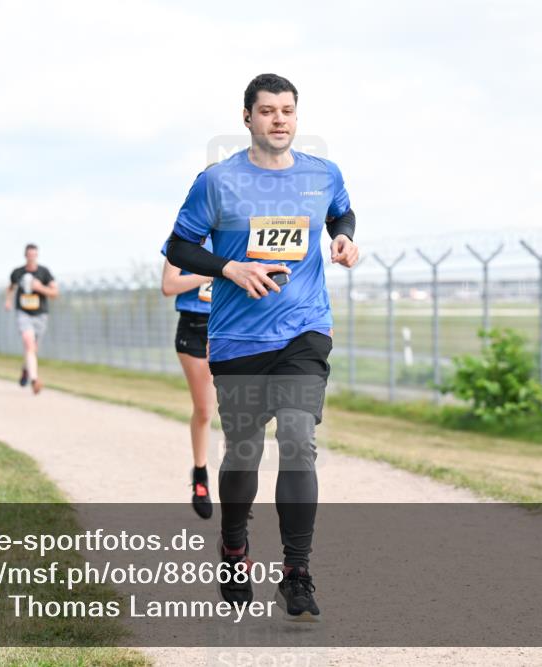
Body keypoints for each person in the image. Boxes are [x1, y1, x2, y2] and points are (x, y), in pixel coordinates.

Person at [166, 73, 359, 622]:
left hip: (304, 329)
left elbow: (340, 211)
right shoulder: (217, 181)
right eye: (268, 110)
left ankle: (296, 572)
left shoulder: (323, 174)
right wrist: (229, 266)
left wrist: (341, 236)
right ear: (247, 117)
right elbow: (180, 245)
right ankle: (233, 546)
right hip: (237, 338)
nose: (280, 119)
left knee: (298, 440)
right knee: (244, 450)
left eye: (288, 110)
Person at [161, 233, 215, 519]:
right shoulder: (181, 239)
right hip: (194, 326)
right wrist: (212, 270)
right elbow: (169, 285)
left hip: (230, 325)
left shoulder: (235, 233)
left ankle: (237, 485)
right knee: (205, 410)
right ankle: (200, 473)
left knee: (235, 410)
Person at [4, 244, 57, 394]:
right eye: (29, 255)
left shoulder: (44, 272)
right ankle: (34, 379)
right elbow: (11, 287)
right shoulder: (17, 272)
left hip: (40, 314)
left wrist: (40, 288)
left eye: (34, 255)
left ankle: (26, 370)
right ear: (25, 255)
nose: (31, 257)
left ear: (37, 256)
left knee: (33, 349)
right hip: (23, 313)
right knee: (28, 343)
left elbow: (55, 292)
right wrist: (8, 300)